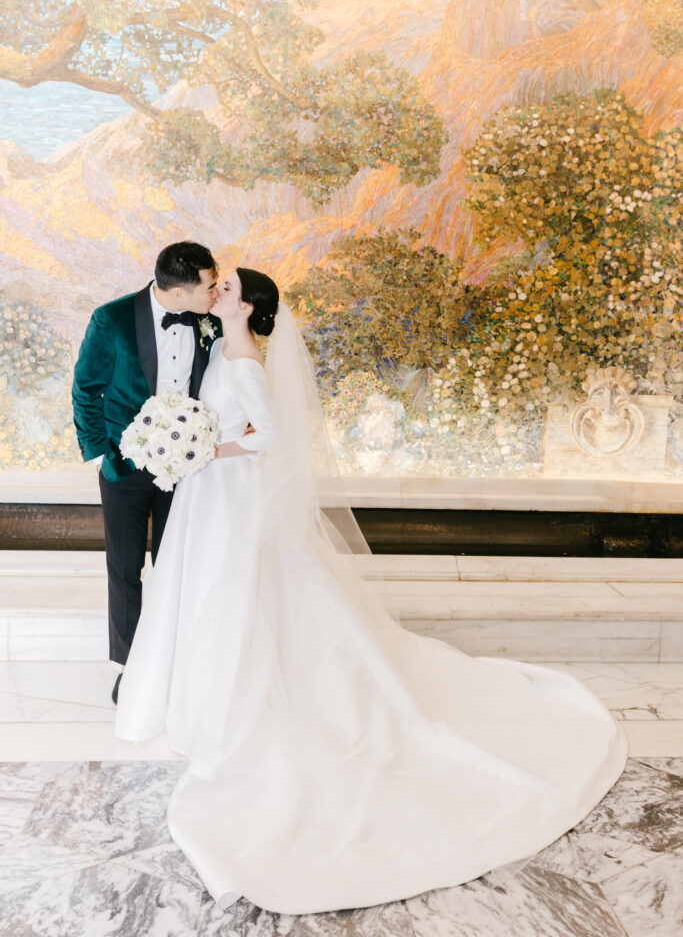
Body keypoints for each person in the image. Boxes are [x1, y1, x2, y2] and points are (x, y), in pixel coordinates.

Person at [115, 266, 628, 915]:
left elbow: (269, 437)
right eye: (216, 287)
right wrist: (183, 438)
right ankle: (195, 692)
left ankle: (244, 698)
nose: (217, 293)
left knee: (245, 599)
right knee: (203, 592)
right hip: (208, 499)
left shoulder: (243, 354)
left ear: (248, 308)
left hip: (232, 495)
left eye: (228, 290)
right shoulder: (222, 344)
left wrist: (204, 450)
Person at [72, 241, 221, 705]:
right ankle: (131, 667)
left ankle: (175, 660)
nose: (214, 293)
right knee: (125, 568)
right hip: (125, 467)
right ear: (180, 292)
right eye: (209, 285)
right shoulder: (111, 319)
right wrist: (101, 454)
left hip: (190, 468)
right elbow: (85, 389)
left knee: (177, 567)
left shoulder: (212, 324)